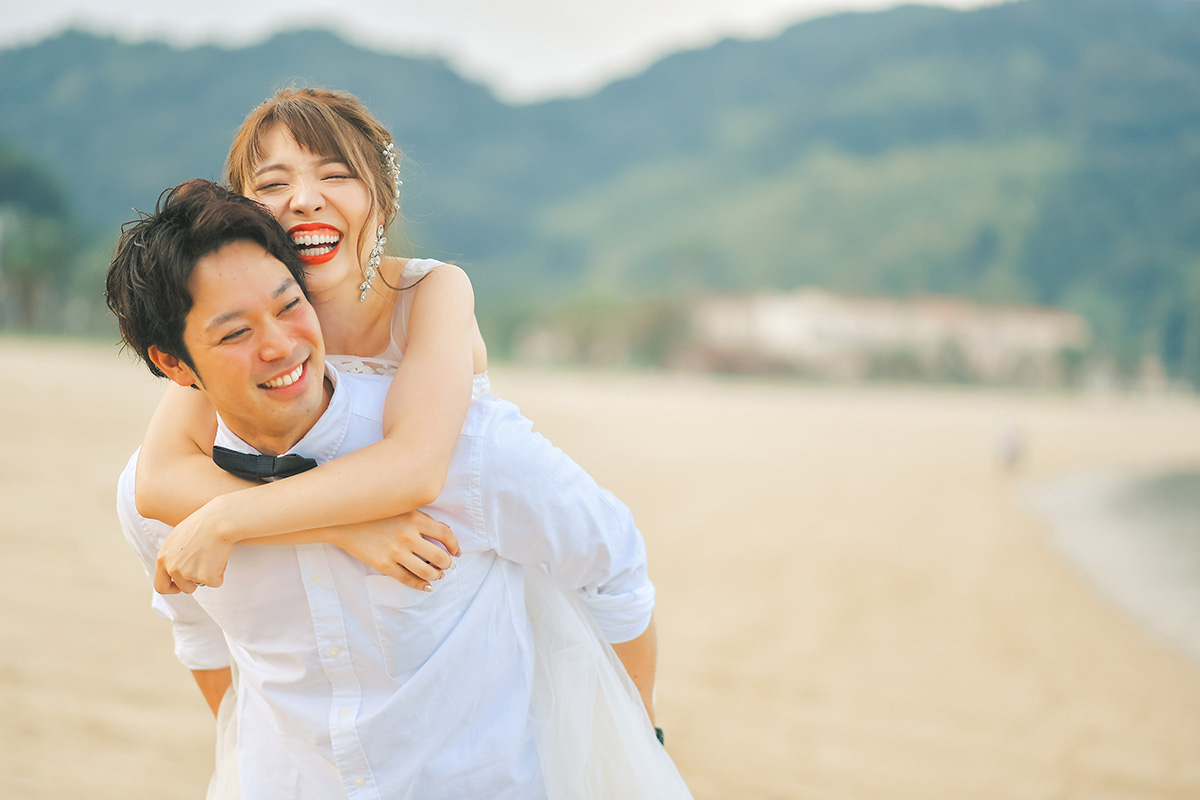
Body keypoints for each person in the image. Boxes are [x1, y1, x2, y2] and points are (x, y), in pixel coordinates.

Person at [108, 180, 692, 799]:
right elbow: (199, 636)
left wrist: (639, 740)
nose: (280, 346)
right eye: (234, 335)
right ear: (173, 365)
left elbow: (613, 568)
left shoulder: (470, 448)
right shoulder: (156, 498)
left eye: (288, 306)